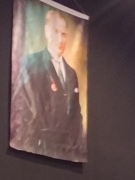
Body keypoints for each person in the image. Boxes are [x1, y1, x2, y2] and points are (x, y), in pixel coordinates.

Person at [10, 8, 86, 162]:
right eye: (56, 32)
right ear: (46, 31)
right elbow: (21, 108)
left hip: (66, 152)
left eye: (64, 34)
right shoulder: (31, 63)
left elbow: (76, 115)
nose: (60, 39)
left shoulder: (71, 73)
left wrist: (75, 148)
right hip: (36, 149)